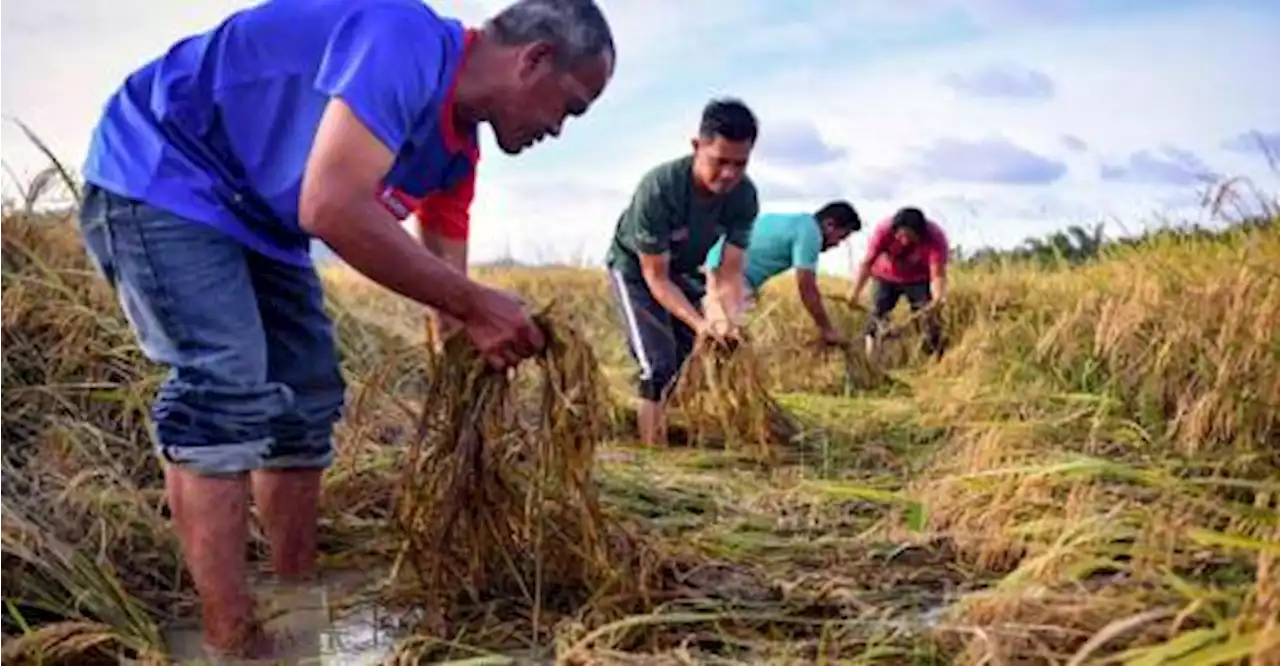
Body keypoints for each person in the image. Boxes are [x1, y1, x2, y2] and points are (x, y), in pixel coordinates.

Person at [74, 0, 615, 658]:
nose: (559, 129)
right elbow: (331, 204)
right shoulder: (404, 38)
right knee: (225, 381)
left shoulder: (457, 156)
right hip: (169, 165)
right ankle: (231, 639)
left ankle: (294, 600)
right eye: (571, 107)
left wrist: (480, 387)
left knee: (309, 395)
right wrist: (477, 306)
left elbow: (450, 306)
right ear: (533, 60)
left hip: (264, 221)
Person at [604, 98, 760, 447]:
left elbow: (729, 273)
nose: (730, 174)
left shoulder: (744, 197)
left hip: (683, 271)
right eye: (720, 161)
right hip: (635, 270)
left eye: (741, 163)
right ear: (696, 146)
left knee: (685, 360)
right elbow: (655, 277)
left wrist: (725, 321)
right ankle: (652, 456)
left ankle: (663, 430)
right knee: (656, 364)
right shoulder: (659, 189)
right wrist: (700, 322)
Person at [703, 201, 862, 345]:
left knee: (727, 337)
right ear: (829, 225)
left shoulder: (796, 222)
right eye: (840, 237)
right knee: (729, 342)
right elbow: (806, 286)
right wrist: (827, 330)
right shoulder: (811, 232)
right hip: (727, 275)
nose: (837, 244)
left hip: (715, 266)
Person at [847, 206, 949, 358]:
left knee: (928, 320)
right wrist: (854, 292)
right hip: (885, 276)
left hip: (919, 279)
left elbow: (937, 275)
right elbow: (867, 263)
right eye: (901, 236)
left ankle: (933, 359)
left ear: (920, 234)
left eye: (910, 236)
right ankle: (871, 360)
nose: (904, 241)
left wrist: (938, 298)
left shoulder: (935, 237)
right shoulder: (883, 230)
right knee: (876, 315)